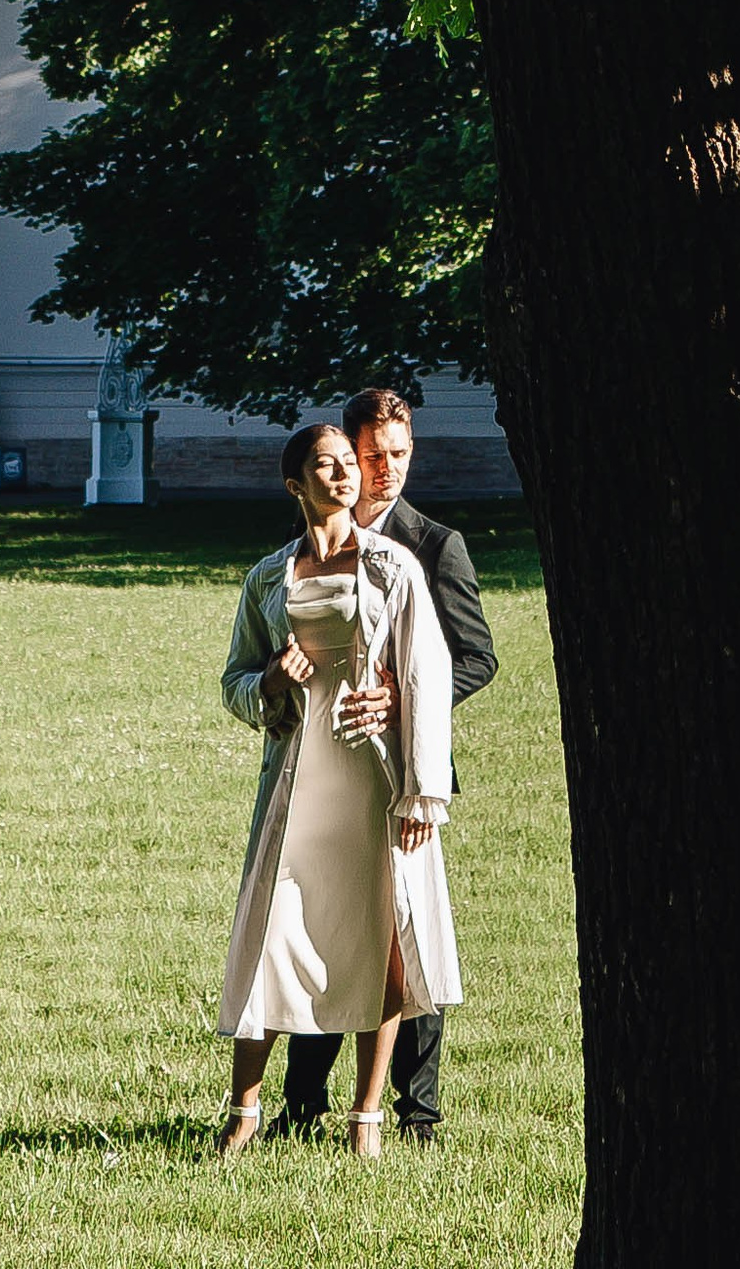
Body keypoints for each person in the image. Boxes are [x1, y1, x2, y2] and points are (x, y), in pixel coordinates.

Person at [216, 420, 461, 1159]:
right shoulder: (267, 577)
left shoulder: (395, 568)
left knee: (378, 941)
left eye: (346, 464)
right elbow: (233, 680)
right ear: (297, 485)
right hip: (297, 781)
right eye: (325, 466)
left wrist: (421, 794)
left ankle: (366, 1120)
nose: (345, 474)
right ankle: (242, 1113)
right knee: (271, 938)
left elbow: (426, 675)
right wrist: (267, 683)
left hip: (372, 778)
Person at [275, 383, 496, 1143]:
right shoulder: (310, 545)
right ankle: (303, 1105)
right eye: (374, 455)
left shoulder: (435, 546)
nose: (388, 469)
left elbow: (475, 658)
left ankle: (417, 1113)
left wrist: (403, 700)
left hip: (407, 771)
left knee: (408, 935)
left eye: (400, 454)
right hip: (325, 769)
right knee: (321, 929)